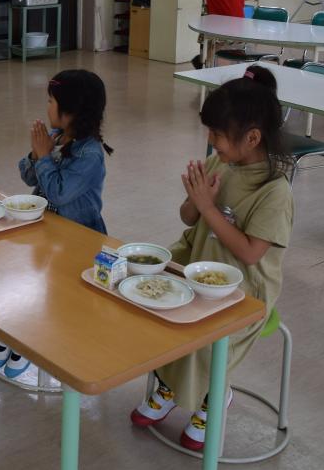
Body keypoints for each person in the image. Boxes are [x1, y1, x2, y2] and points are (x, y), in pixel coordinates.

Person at [130, 65, 293, 451]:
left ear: (252, 137)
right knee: (151, 300)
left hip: (243, 290)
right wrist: (195, 199)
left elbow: (252, 254)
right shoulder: (224, 161)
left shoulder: (275, 191)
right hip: (197, 263)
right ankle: (171, 386)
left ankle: (214, 396)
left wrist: (209, 207)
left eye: (218, 134)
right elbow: (188, 216)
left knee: (204, 333)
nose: (210, 140)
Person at [0, 69, 114, 379]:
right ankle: (17, 330)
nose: (46, 107)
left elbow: (59, 191)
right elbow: (28, 176)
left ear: (70, 110)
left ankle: (37, 343)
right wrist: (36, 153)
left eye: (51, 101)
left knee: (58, 297)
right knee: (28, 283)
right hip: (45, 229)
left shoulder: (90, 154)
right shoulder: (58, 138)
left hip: (80, 239)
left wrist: (45, 157)